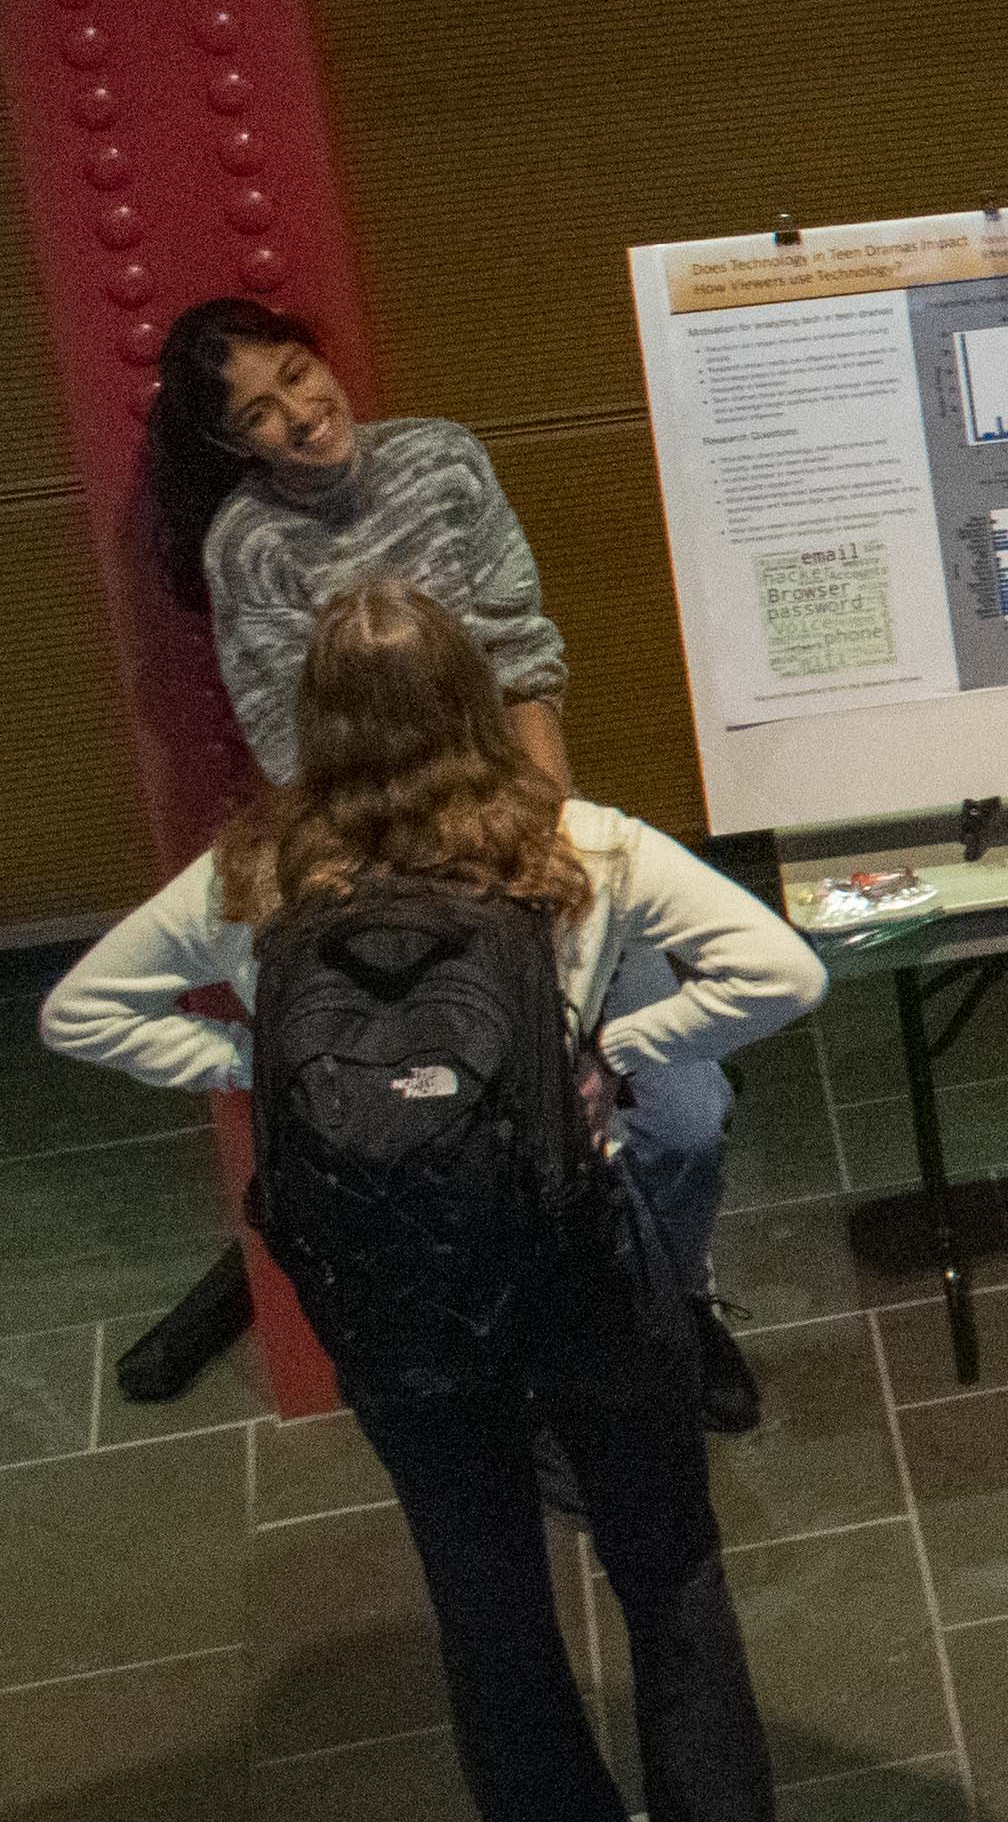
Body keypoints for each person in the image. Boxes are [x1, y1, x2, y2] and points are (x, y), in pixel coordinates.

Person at [41, 583, 809, 1822]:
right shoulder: (573, 848)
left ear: (313, 723)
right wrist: (617, 1052)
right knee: (666, 1559)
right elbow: (782, 970)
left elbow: (78, 1007)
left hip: (390, 1292)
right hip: (574, 1260)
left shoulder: (251, 878)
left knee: (483, 1589)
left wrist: (249, 1072)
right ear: (473, 700)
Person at [144, 296, 765, 1431]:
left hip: (523, 832)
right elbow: (297, 750)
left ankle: (661, 1309)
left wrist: (550, 842)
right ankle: (547, 1343)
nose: (298, 413)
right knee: (484, 1137)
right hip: (396, 879)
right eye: (260, 411)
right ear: (234, 443)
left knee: (685, 1118)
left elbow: (525, 658)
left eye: (298, 373)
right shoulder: (247, 545)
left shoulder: (440, 458)